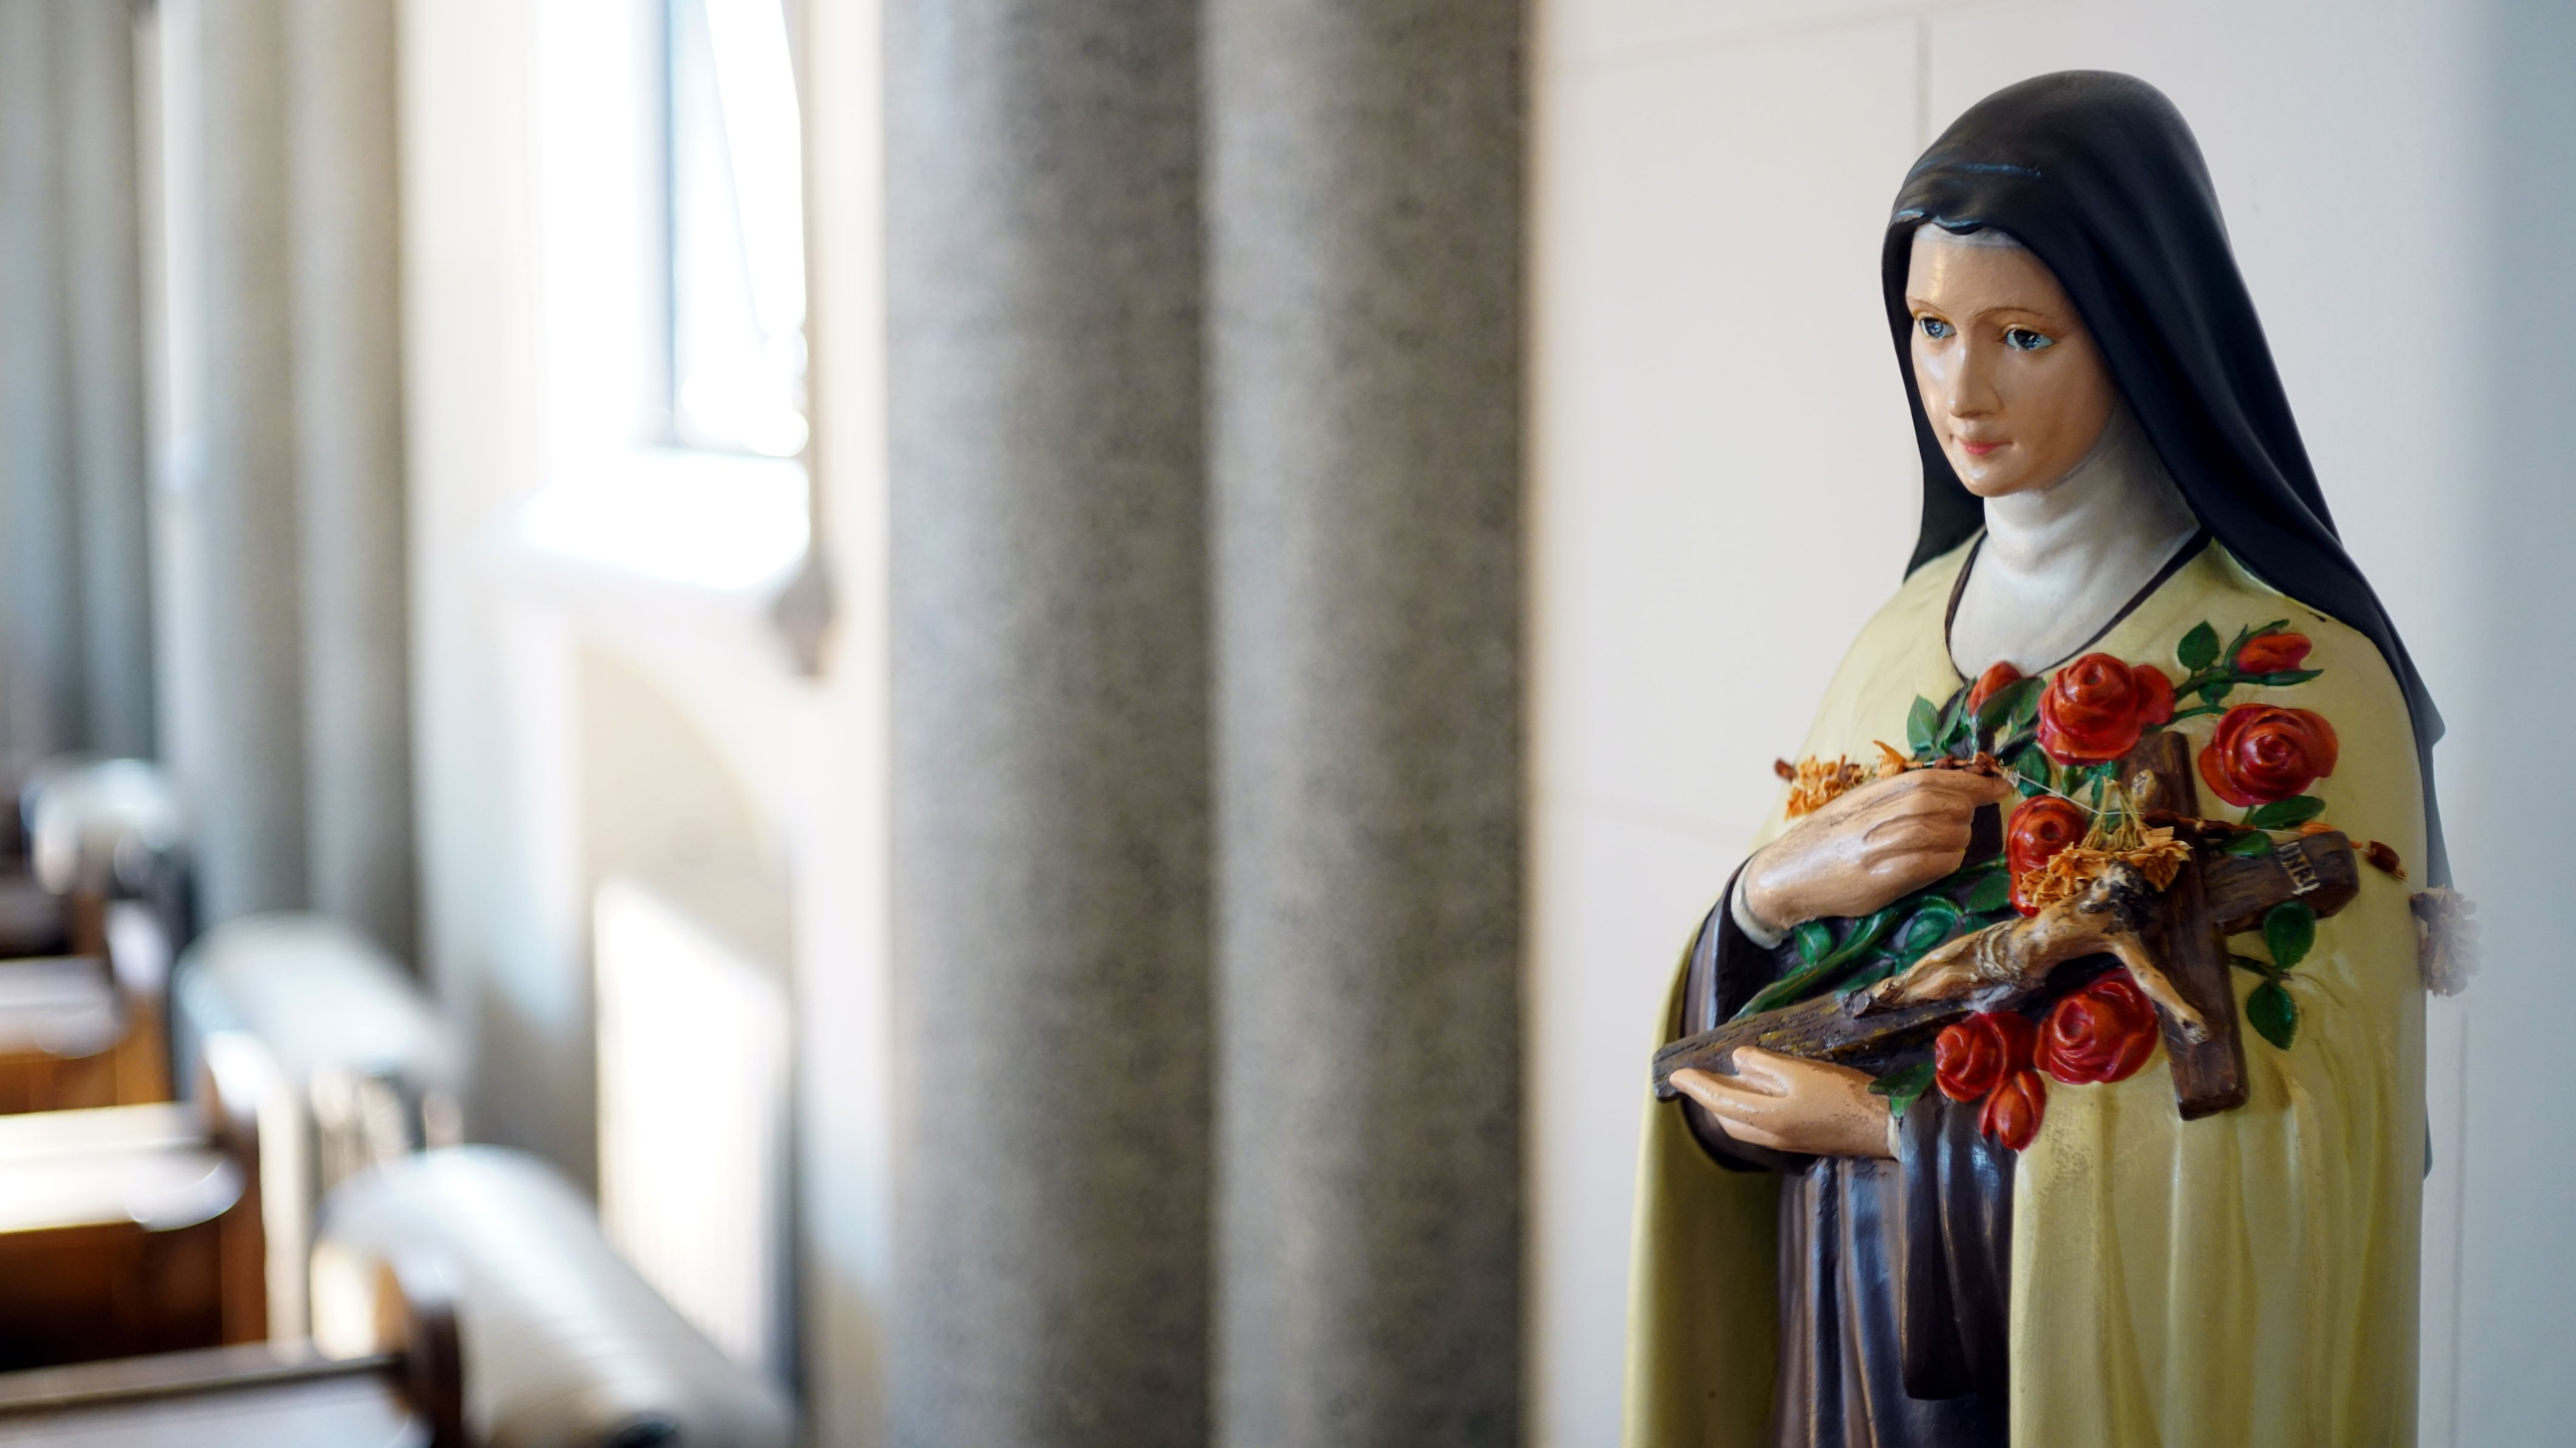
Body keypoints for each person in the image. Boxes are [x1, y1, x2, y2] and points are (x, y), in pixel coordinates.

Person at [1625, 72, 2445, 1448]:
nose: (1961, 388)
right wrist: (1767, 897)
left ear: (2136, 329)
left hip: (2089, 1371)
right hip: (1845, 1322)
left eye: (2022, 335)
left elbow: (2309, 1129)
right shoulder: (1900, 637)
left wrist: (1893, 1132)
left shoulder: (2291, 679)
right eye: (1930, 328)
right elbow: (1758, 1027)